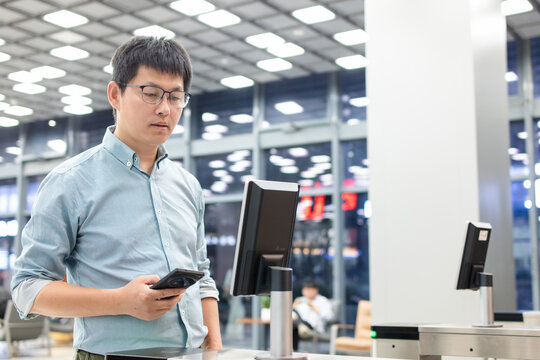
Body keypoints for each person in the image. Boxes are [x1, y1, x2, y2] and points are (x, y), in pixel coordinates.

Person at [10, 36, 222, 358]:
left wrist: (215, 349)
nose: (164, 108)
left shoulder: (187, 185)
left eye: (176, 97)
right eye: (150, 94)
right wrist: (121, 301)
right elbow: (27, 288)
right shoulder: (72, 182)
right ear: (115, 95)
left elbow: (202, 277)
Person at [292, 281, 333, 350]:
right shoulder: (300, 300)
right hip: (299, 324)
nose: (307, 293)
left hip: (314, 326)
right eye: (305, 290)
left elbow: (329, 317)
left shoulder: (323, 301)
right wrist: (294, 306)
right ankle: (301, 327)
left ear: (316, 291)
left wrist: (315, 308)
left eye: (309, 290)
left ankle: (294, 350)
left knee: (293, 325)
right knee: (293, 321)